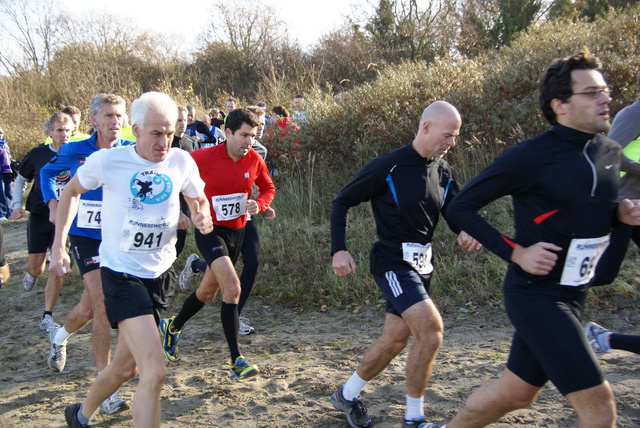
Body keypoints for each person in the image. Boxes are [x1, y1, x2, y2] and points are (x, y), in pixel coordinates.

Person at [432, 49, 640, 428]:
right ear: (559, 104)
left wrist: (621, 218)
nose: (606, 98)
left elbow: (592, 232)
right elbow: (462, 207)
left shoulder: (609, 152)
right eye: (592, 92)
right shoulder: (530, 156)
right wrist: (516, 252)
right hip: (536, 294)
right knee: (600, 405)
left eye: (605, 90)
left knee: (516, 393)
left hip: (575, 294)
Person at [51, 91, 212, 428]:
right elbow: (70, 193)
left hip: (160, 273)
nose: (164, 141)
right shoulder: (109, 161)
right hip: (121, 274)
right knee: (154, 372)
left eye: (169, 133)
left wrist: (201, 215)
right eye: (156, 133)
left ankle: (78, 416)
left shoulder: (182, 159)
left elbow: (197, 198)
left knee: (127, 368)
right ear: (135, 130)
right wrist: (58, 246)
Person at [329, 101, 481, 428]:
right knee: (432, 332)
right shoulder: (388, 166)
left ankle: (347, 394)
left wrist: (467, 230)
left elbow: (454, 213)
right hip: (392, 262)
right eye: (448, 135)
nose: (452, 142)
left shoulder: (442, 170)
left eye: (455, 136)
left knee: (395, 340)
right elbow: (342, 201)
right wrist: (338, 250)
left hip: (423, 263)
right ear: (426, 127)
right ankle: (414, 419)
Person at [159, 108, 275, 380]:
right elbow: (170, 181)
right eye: (244, 135)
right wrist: (179, 212)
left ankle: (172, 327)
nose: (249, 141)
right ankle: (237, 360)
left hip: (241, 227)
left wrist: (259, 204)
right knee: (232, 287)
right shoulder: (202, 157)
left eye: (253, 135)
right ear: (228, 132)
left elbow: (268, 188)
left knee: (207, 292)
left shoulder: (255, 159)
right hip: (210, 230)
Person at [40, 93, 134, 415]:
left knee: (88, 311)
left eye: (119, 115)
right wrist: (54, 202)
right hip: (85, 237)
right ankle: (105, 387)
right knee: (104, 306)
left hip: (116, 238)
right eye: (108, 115)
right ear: (93, 120)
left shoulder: (128, 151)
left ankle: (59, 335)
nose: (115, 121)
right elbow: (47, 175)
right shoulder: (74, 150)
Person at [10, 112, 73, 332]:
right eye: (59, 130)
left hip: (66, 216)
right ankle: (31, 272)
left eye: (67, 130)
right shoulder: (38, 154)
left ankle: (47, 315)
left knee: (59, 264)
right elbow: (21, 179)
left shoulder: (79, 153)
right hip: (39, 213)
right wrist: (16, 205)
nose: (64, 134)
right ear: (49, 133)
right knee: (37, 267)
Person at [592, 72, 640, 286]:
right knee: (604, 274)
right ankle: (548, 289)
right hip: (620, 201)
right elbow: (609, 152)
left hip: (636, 202)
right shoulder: (634, 115)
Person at [0, 127, 13, 221]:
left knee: (8, 193)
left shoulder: (5, 145)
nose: (0, 135)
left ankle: (9, 212)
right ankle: (2, 213)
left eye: (1, 133)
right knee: (1, 194)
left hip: (7, 171)